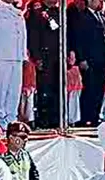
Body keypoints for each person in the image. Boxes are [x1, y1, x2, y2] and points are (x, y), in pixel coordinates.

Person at [0, 0, 28, 129]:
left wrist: (23, 56)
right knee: (1, 89)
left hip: (17, 56)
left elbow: (23, 36)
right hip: (2, 55)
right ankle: (0, 119)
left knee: (15, 89)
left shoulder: (18, 13)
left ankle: (11, 117)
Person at [74, 0, 105, 127]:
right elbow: (78, 39)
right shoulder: (82, 17)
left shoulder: (102, 17)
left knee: (99, 89)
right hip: (89, 59)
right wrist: (81, 58)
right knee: (90, 89)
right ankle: (86, 117)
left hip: (102, 59)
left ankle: (95, 116)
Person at [26, 0, 63, 129]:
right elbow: (33, 36)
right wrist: (37, 57)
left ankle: (56, 119)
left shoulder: (59, 12)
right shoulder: (36, 11)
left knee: (58, 89)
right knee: (45, 89)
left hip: (59, 56)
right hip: (45, 56)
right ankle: (44, 119)